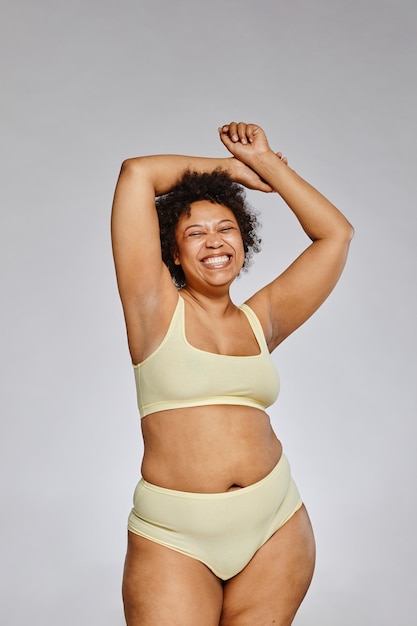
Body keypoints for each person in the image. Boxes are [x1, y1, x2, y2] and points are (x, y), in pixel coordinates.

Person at [111, 121, 354, 625]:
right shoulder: (153, 309)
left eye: (226, 229)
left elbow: (335, 234)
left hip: (274, 523)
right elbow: (136, 173)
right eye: (194, 233)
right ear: (172, 253)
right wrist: (227, 171)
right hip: (175, 535)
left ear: (243, 242)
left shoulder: (260, 319)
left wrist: (266, 164)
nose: (214, 242)